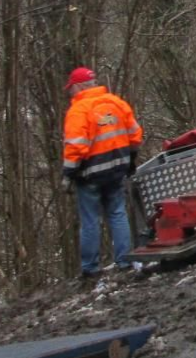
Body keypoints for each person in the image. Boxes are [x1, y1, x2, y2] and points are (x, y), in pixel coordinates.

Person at [61, 66, 143, 278]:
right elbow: (135, 135)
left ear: (78, 86)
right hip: (118, 169)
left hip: (90, 174)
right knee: (117, 213)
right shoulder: (116, 103)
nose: (70, 92)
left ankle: (90, 267)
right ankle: (125, 260)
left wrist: (68, 174)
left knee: (90, 219)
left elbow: (76, 147)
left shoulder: (78, 110)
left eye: (71, 88)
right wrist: (131, 159)